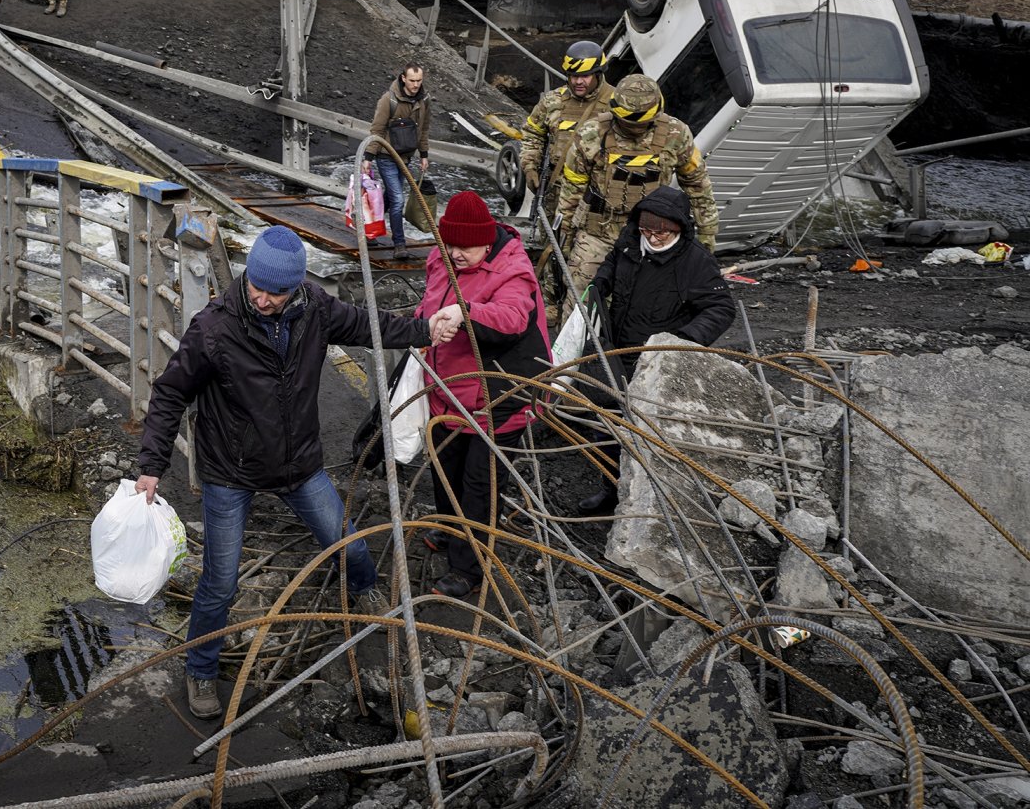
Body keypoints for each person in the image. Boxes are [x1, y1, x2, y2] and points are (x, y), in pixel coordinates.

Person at [135, 226, 441, 721]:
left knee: (349, 544)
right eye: (256, 286)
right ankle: (200, 667)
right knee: (220, 581)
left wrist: (426, 329)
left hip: (298, 463)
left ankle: (366, 592)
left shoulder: (315, 308)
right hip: (230, 471)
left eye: (276, 292)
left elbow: (369, 325)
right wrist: (151, 465)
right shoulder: (214, 328)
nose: (263, 299)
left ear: (295, 287)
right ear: (246, 275)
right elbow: (171, 393)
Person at [415, 192, 553, 599]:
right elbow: (429, 302)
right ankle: (449, 531)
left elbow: (513, 317)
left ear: (487, 242)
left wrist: (465, 311)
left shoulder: (513, 268)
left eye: (466, 247)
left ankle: (468, 568)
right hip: (446, 389)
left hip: (496, 397)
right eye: (450, 244)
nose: (456, 254)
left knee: (479, 484)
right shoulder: (440, 258)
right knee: (445, 467)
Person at [575, 187, 736, 513]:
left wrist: (680, 341)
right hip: (617, 348)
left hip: (656, 359)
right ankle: (611, 488)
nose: (654, 237)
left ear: (679, 228)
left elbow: (721, 309)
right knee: (607, 422)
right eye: (648, 230)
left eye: (662, 232)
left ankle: (646, 497)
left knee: (644, 430)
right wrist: (601, 282)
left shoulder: (696, 262)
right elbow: (611, 261)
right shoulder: (631, 241)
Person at [555, 73, 719, 305]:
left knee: (649, 304)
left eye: (640, 123)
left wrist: (706, 238)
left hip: (655, 237)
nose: (635, 128)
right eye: (628, 122)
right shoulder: (592, 134)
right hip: (598, 233)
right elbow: (571, 191)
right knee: (581, 300)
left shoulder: (676, 134)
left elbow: (698, 186)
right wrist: (564, 239)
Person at [521, 40, 617, 330]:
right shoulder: (553, 101)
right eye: (573, 76)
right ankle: (551, 301)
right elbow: (532, 133)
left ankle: (594, 305)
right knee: (555, 246)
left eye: (584, 76)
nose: (578, 81)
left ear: (598, 73)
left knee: (590, 250)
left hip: (598, 195)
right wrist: (530, 164)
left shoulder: (617, 102)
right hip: (558, 190)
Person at [365, 62, 431, 260]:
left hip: (406, 157)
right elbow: (376, 130)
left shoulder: (425, 100)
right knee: (398, 200)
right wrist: (368, 157)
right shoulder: (389, 100)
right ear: (403, 78)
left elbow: (424, 128)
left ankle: (368, 227)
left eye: (419, 81)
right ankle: (399, 244)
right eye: (412, 80)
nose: (415, 85)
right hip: (386, 156)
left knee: (390, 198)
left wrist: (424, 154)